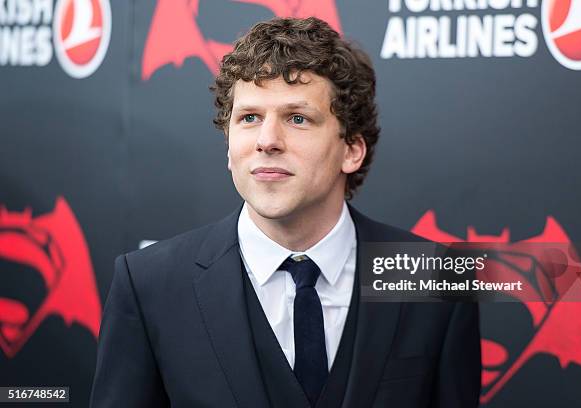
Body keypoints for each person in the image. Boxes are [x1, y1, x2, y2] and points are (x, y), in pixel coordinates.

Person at [90, 16, 481, 408]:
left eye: (297, 118)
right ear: (228, 145)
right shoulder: (149, 285)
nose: (267, 141)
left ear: (351, 150)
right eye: (249, 118)